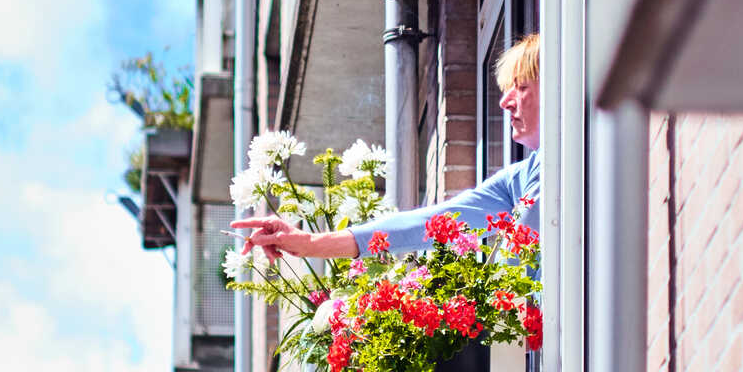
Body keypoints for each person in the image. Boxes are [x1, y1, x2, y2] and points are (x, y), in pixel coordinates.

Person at [231, 33, 540, 261]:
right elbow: (427, 224)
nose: (504, 101)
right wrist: (311, 243)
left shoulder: (579, 154)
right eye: (506, 89)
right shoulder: (517, 182)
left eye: (521, 87)